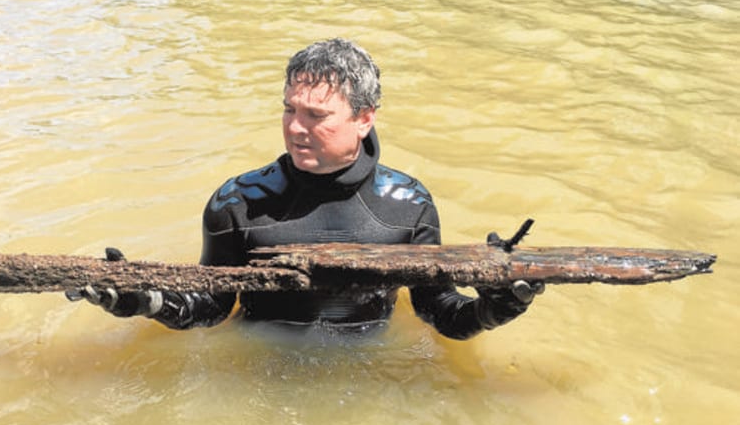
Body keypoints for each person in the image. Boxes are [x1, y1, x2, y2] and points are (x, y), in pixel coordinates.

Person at [67, 38, 543, 339]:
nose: (296, 128)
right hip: (260, 366)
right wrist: (144, 300)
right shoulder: (238, 203)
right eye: (290, 110)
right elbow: (210, 310)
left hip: (367, 376)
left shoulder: (409, 206)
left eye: (316, 116)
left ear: (364, 119)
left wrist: (496, 307)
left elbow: (439, 314)